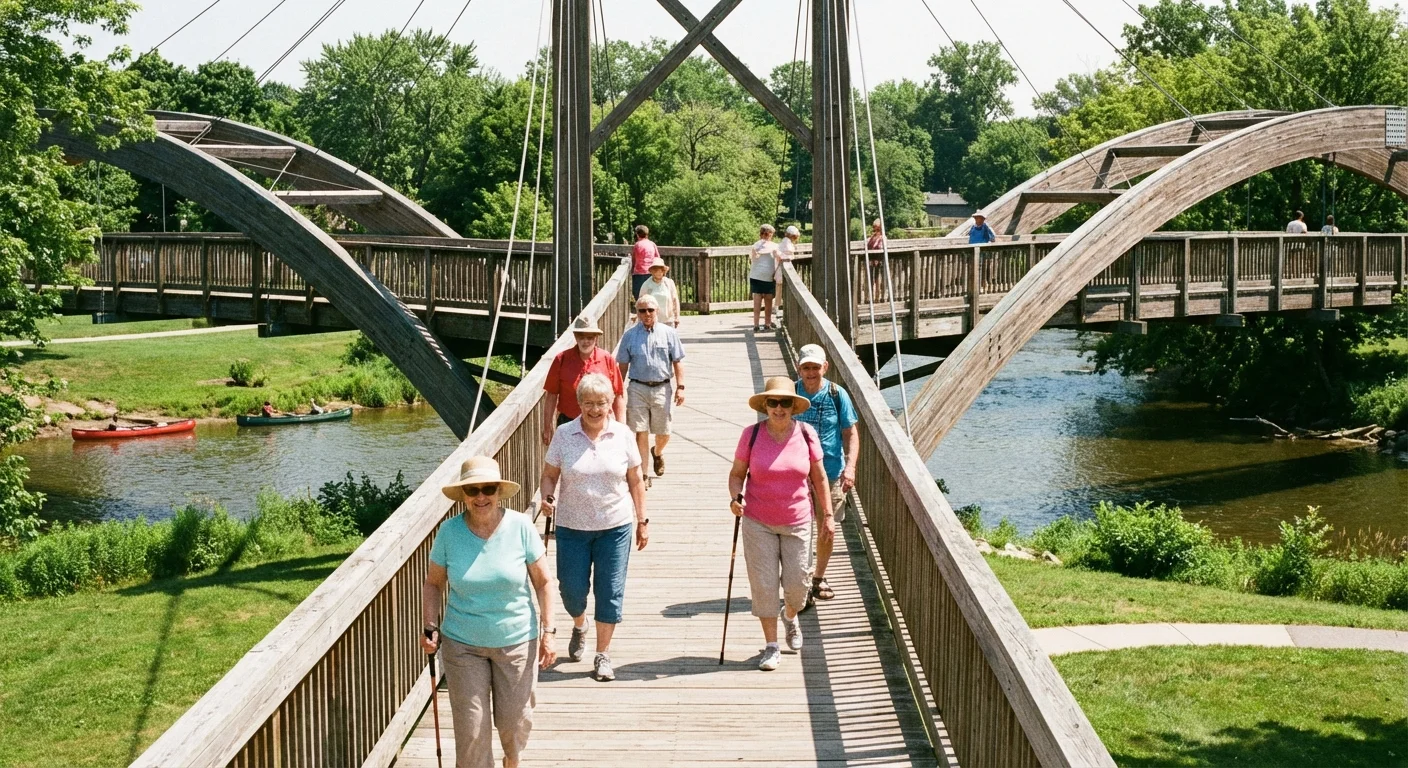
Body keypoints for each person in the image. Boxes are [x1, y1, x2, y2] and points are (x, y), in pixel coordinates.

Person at [421, 456, 556, 768]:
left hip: (518, 639)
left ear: (498, 491)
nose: (481, 497)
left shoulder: (520, 527)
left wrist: (549, 632)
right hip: (462, 643)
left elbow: (544, 582)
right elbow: (432, 583)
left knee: (514, 722)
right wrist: (430, 624)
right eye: (473, 490)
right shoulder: (449, 533)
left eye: (488, 489)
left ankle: (512, 758)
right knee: (472, 730)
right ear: (464, 495)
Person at [539, 373, 649, 683]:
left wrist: (643, 521)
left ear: (611, 403)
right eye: (588, 403)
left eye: (601, 403)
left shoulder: (623, 435)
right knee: (571, 590)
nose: (595, 409)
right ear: (578, 404)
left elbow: (636, 480)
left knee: (610, 591)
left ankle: (603, 654)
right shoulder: (564, 434)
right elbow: (549, 475)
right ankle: (579, 623)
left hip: (615, 526)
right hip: (572, 526)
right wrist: (547, 496)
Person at [728, 377, 833, 671]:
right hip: (757, 520)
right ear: (765, 406)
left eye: (785, 402)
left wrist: (828, 515)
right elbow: (737, 474)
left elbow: (820, 477)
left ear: (793, 406)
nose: (778, 408)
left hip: (798, 519)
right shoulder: (751, 435)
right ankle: (771, 646)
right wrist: (736, 497)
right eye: (772, 402)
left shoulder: (806, 433)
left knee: (798, 587)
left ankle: (790, 616)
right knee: (764, 586)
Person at [791, 344, 859, 606]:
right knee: (797, 529)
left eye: (815, 367)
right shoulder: (791, 394)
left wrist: (850, 467)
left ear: (825, 367)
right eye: (806, 367)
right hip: (796, 474)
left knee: (826, 528)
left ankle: (818, 577)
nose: (810, 372)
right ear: (799, 368)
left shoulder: (836, 394)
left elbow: (850, 432)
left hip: (830, 472)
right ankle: (801, 582)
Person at [616, 294, 686, 477]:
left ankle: (658, 452)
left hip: (662, 387)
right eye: (642, 310)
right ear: (637, 313)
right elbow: (622, 365)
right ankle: (643, 475)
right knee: (641, 431)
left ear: (657, 311)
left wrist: (681, 386)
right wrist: (617, 391)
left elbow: (678, 361)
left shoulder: (669, 333)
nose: (647, 314)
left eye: (650, 310)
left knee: (664, 431)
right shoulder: (630, 336)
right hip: (637, 387)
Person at [542, 316, 626, 445]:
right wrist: (547, 427)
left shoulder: (607, 359)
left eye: (590, 337)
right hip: (568, 422)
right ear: (575, 337)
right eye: (581, 337)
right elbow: (551, 395)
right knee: (568, 464)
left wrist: (621, 428)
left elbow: (618, 395)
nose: (585, 341)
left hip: (600, 422)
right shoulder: (561, 359)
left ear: (596, 338)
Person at [749, 224, 782, 331]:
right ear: (771, 235)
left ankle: (756, 325)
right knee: (768, 302)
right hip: (768, 277)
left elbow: (753, 258)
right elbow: (779, 258)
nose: (766, 235)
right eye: (768, 234)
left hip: (756, 276)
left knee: (757, 301)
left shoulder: (755, 245)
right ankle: (767, 324)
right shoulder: (774, 246)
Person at [637, 258, 681, 328]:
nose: (659, 273)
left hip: (668, 320)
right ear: (652, 272)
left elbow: (675, 300)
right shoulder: (646, 284)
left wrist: (677, 317)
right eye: (656, 271)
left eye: (661, 271)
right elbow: (640, 302)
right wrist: (640, 319)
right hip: (652, 321)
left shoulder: (669, 283)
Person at [776, 225, 801, 313]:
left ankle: (777, 307)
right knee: (779, 288)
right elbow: (788, 252)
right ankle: (776, 307)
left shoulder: (785, 242)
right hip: (781, 268)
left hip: (780, 267)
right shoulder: (787, 243)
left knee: (779, 289)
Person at [631, 224, 660, 300]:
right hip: (651, 272)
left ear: (637, 235)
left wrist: (632, 270)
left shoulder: (637, 245)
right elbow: (657, 257)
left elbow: (634, 259)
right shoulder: (652, 244)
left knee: (638, 295)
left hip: (639, 273)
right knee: (651, 295)